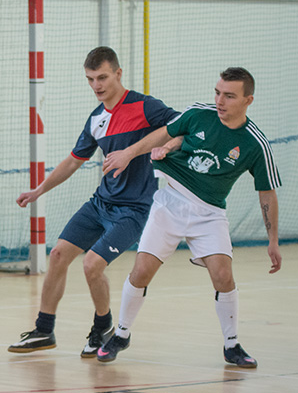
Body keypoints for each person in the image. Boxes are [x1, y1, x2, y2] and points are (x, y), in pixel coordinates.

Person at [98, 67, 281, 367]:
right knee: (142, 270)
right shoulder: (199, 113)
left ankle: (232, 345)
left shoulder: (255, 144)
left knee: (223, 275)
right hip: (170, 201)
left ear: (248, 100)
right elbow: (167, 132)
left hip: (209, 213)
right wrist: (131, 153)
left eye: (229, 96)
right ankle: (121, 334)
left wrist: (273, 240)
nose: (220, 101)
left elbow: (267, 193)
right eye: (218, 92)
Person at [8, 46, 180, 357]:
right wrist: (38, 190)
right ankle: (44, 330)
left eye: (102, 77)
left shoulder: (145, 107)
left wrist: (150, 150)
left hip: (134, 209)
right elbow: (73, 161)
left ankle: (103, 326)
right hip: (100, 203)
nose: (96, 86)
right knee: (58, 254)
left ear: (118, 73)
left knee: (92, 265)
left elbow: (181, 128)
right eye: (90, 79)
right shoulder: (97, 118)